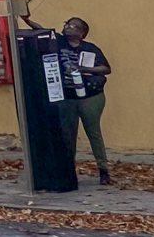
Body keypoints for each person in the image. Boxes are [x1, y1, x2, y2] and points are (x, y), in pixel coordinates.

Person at [22, 13, 115, 184]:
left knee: (93, 132)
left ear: (82, 32)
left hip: (90, 97)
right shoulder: (58, 42)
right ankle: (68, 171)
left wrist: (83, 69)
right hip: (67, 98)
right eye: (67, 24)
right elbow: (40, 29)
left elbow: (106, 68)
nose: (67, 27)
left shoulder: (90, 48)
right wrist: (26, 19)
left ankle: (103, 170)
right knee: (67, 135)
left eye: (73, 26)